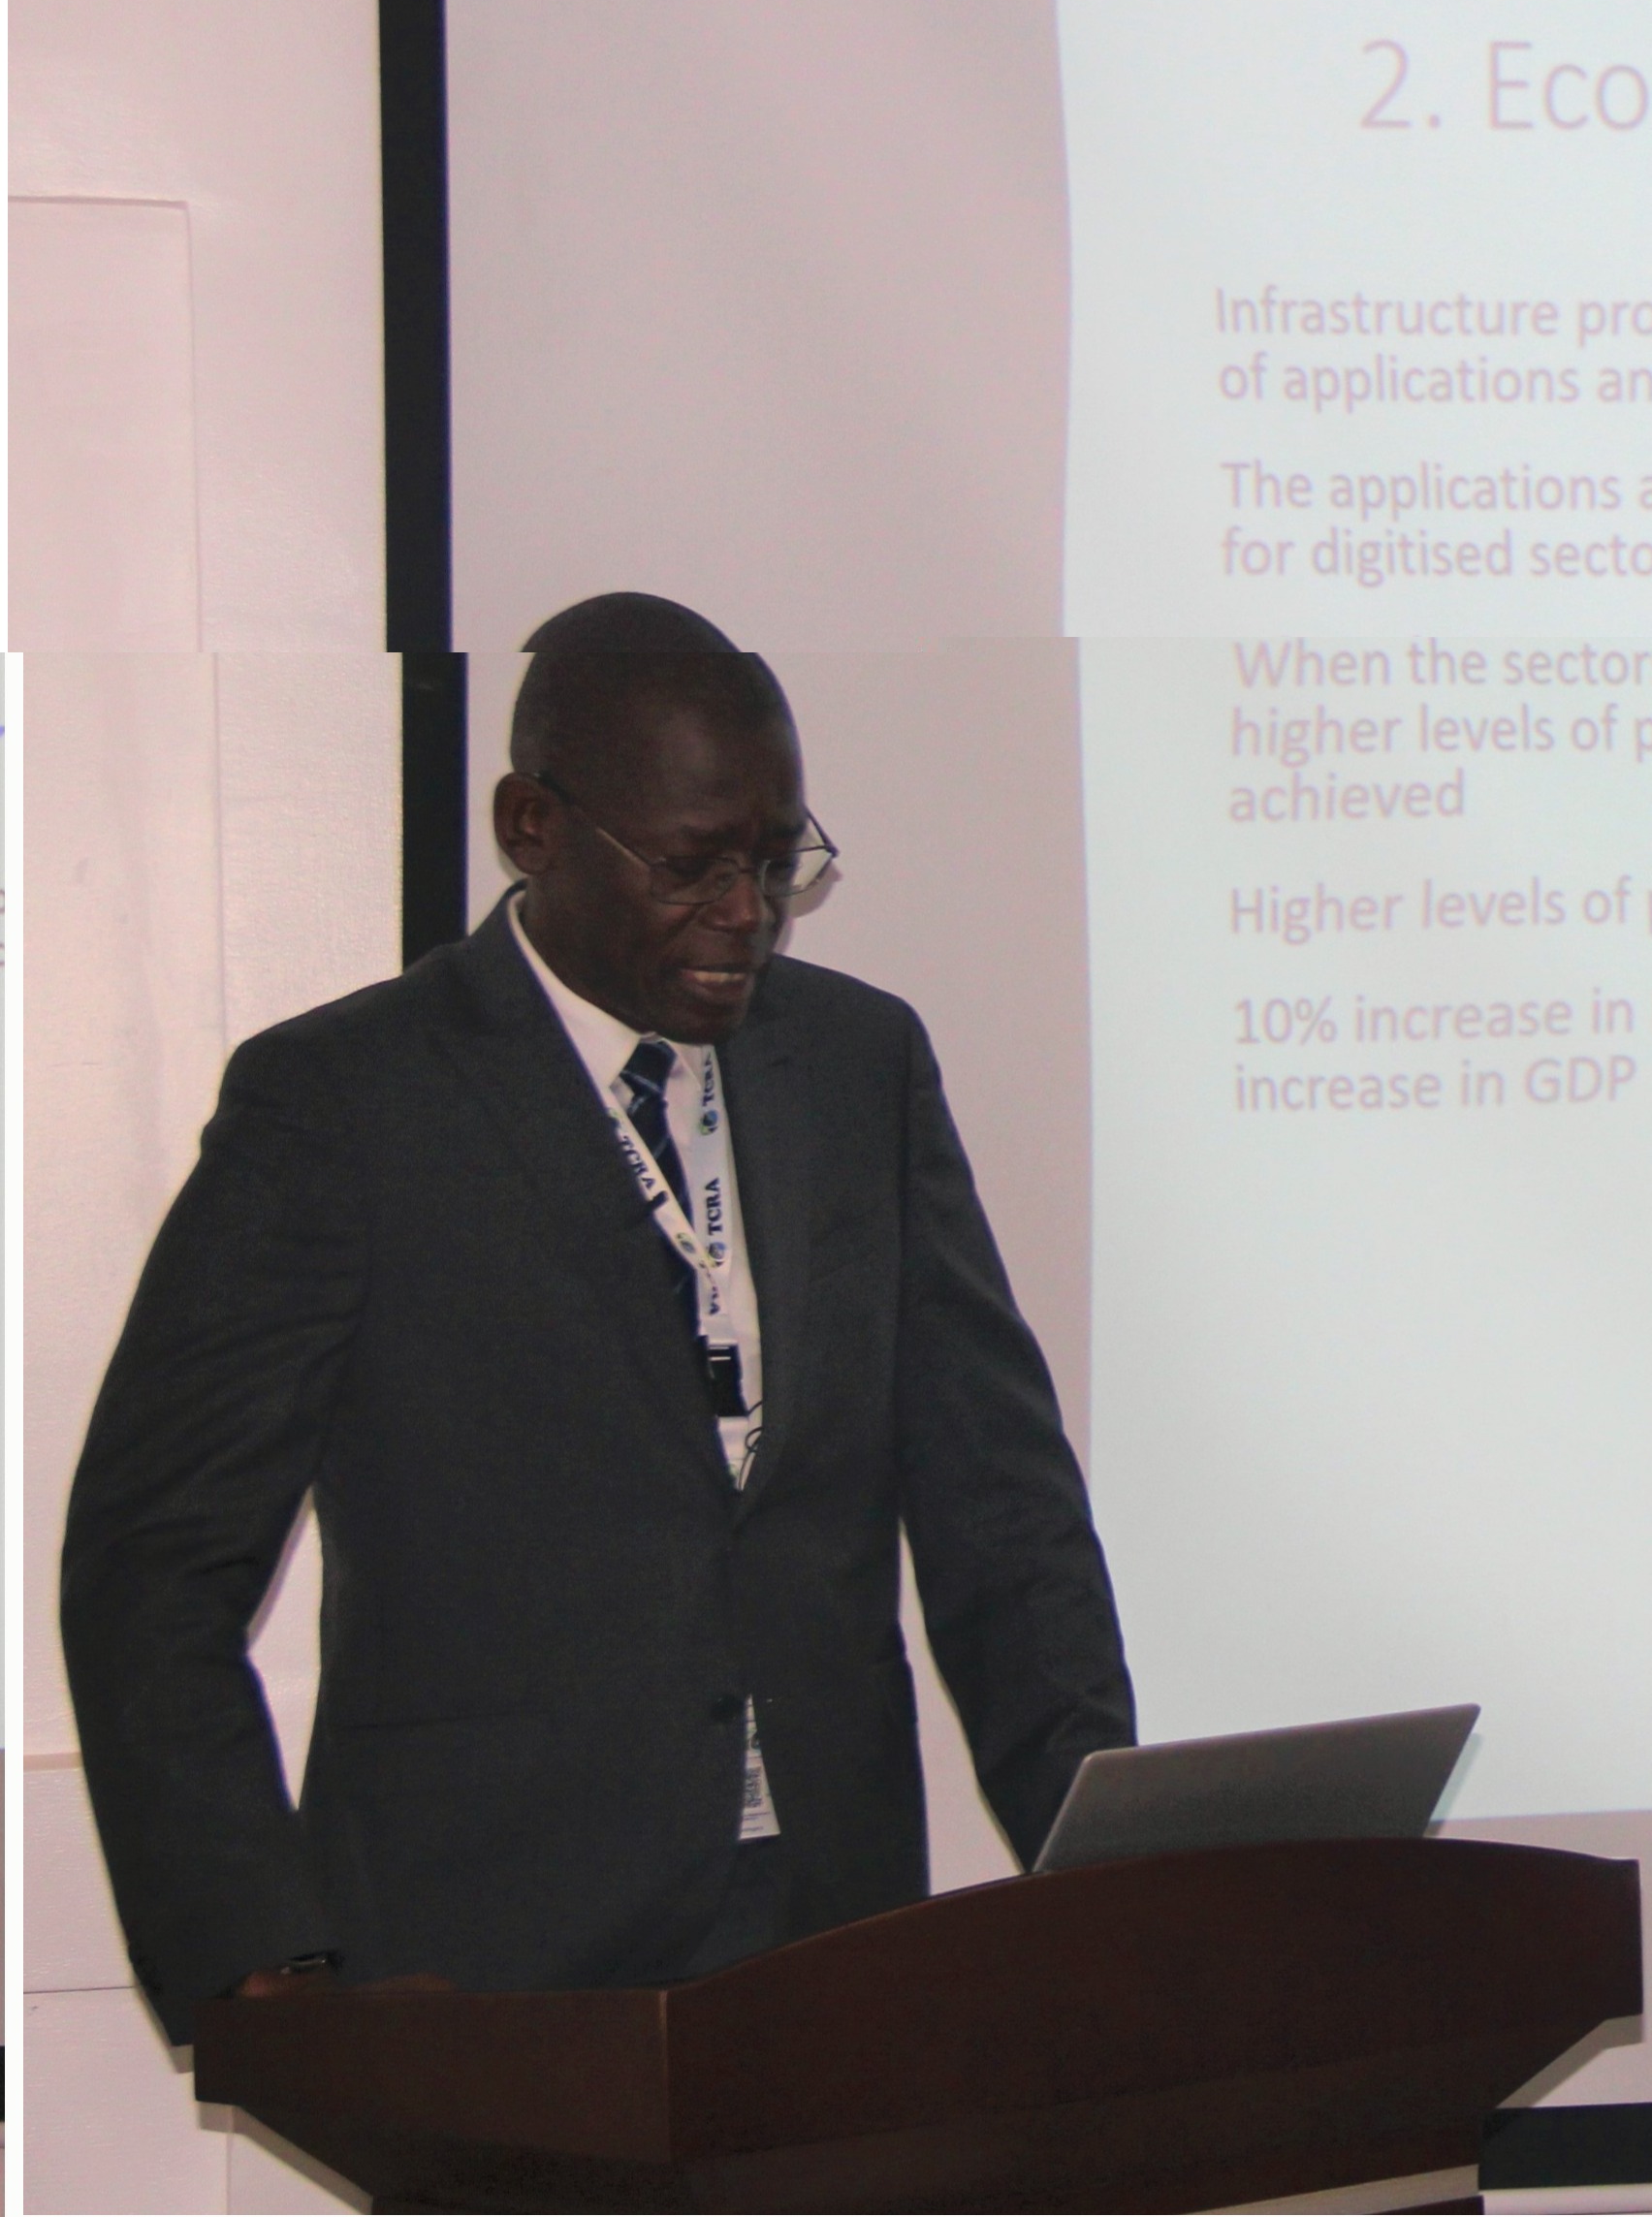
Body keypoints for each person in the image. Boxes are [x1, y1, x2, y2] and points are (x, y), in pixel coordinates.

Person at [62, 593, 1133, 2042]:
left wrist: (1108, 1869)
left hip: (828, 1930)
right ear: (533, 826)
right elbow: (153, 1564)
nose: (746, 912)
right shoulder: (341, 1107)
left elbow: (997, 1504)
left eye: (776, 860)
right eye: (693, 866)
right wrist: (264, 1960)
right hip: (481, 1959)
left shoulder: (858, 1064)